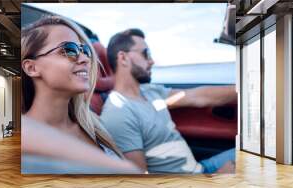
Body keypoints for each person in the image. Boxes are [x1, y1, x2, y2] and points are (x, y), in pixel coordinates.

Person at [100, 28, 237, 174]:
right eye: (146, 54)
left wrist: (247, 89)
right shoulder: (118, 113)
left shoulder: (150, 91)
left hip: (200, 170)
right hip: (191, 186)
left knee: (259, 150)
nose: (152, 61)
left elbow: (197, 96)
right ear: (123, 58)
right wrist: (216, 179)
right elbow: (140, 186)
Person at [21, 15, 136, 173]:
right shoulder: (23, 136)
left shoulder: (93, 123)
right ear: (31, 68)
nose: (85, 59)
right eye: (68, 50)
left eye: (85, 50)